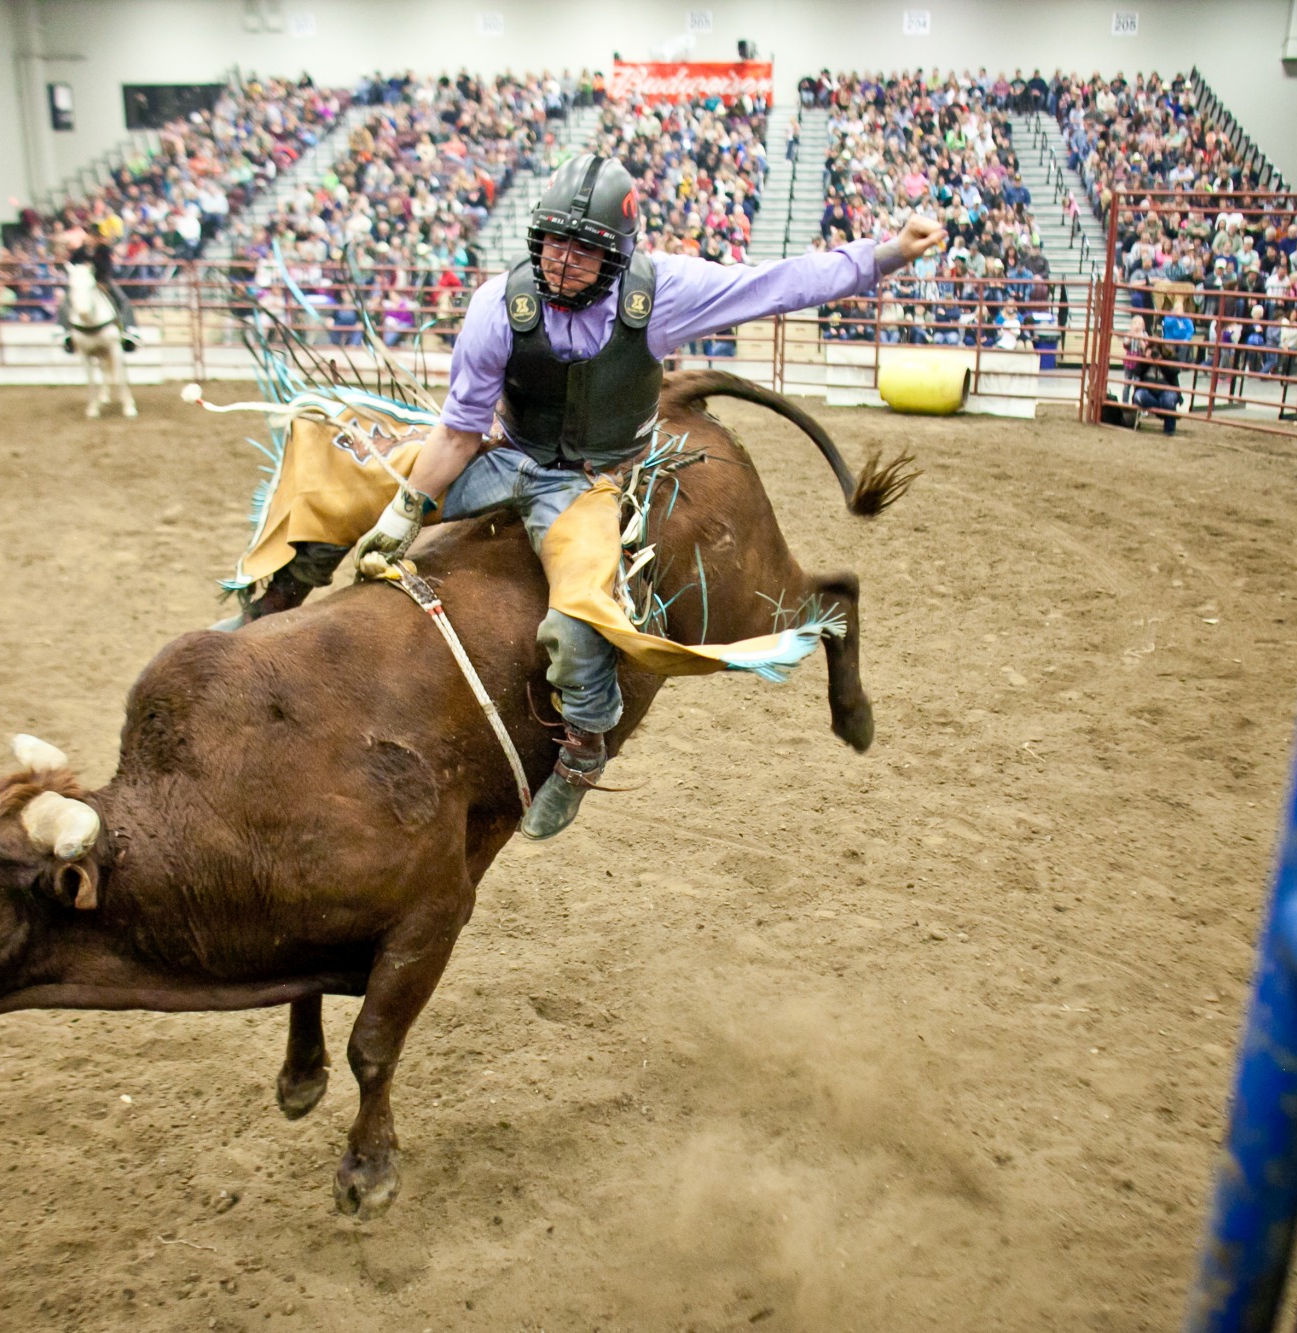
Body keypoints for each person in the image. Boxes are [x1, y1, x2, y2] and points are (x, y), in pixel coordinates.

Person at [271, 155, 948, 841]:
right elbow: (457, 432)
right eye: (556, 242)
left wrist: (887, 253)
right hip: (503, 454)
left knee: (579, 615)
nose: (564, 260)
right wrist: (403, 512)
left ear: (616, 255)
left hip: (585, 481)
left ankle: (584, 746)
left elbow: (777, 283)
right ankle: (276, 590)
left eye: (584, 248)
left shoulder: (663, 294)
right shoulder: (498, 308)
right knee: (344, 474)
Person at [56, 230, 139, 352]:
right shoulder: (81, 251)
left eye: (96, 236)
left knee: (122, 299)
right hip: (82, 281)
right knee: (67, 299)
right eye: (92, 236)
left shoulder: (103, 250)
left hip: (101, 281)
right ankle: (63, 329)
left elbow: (108, 267)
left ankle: (129, 329)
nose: (93, 239)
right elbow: (72, 264)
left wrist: (101, 278)